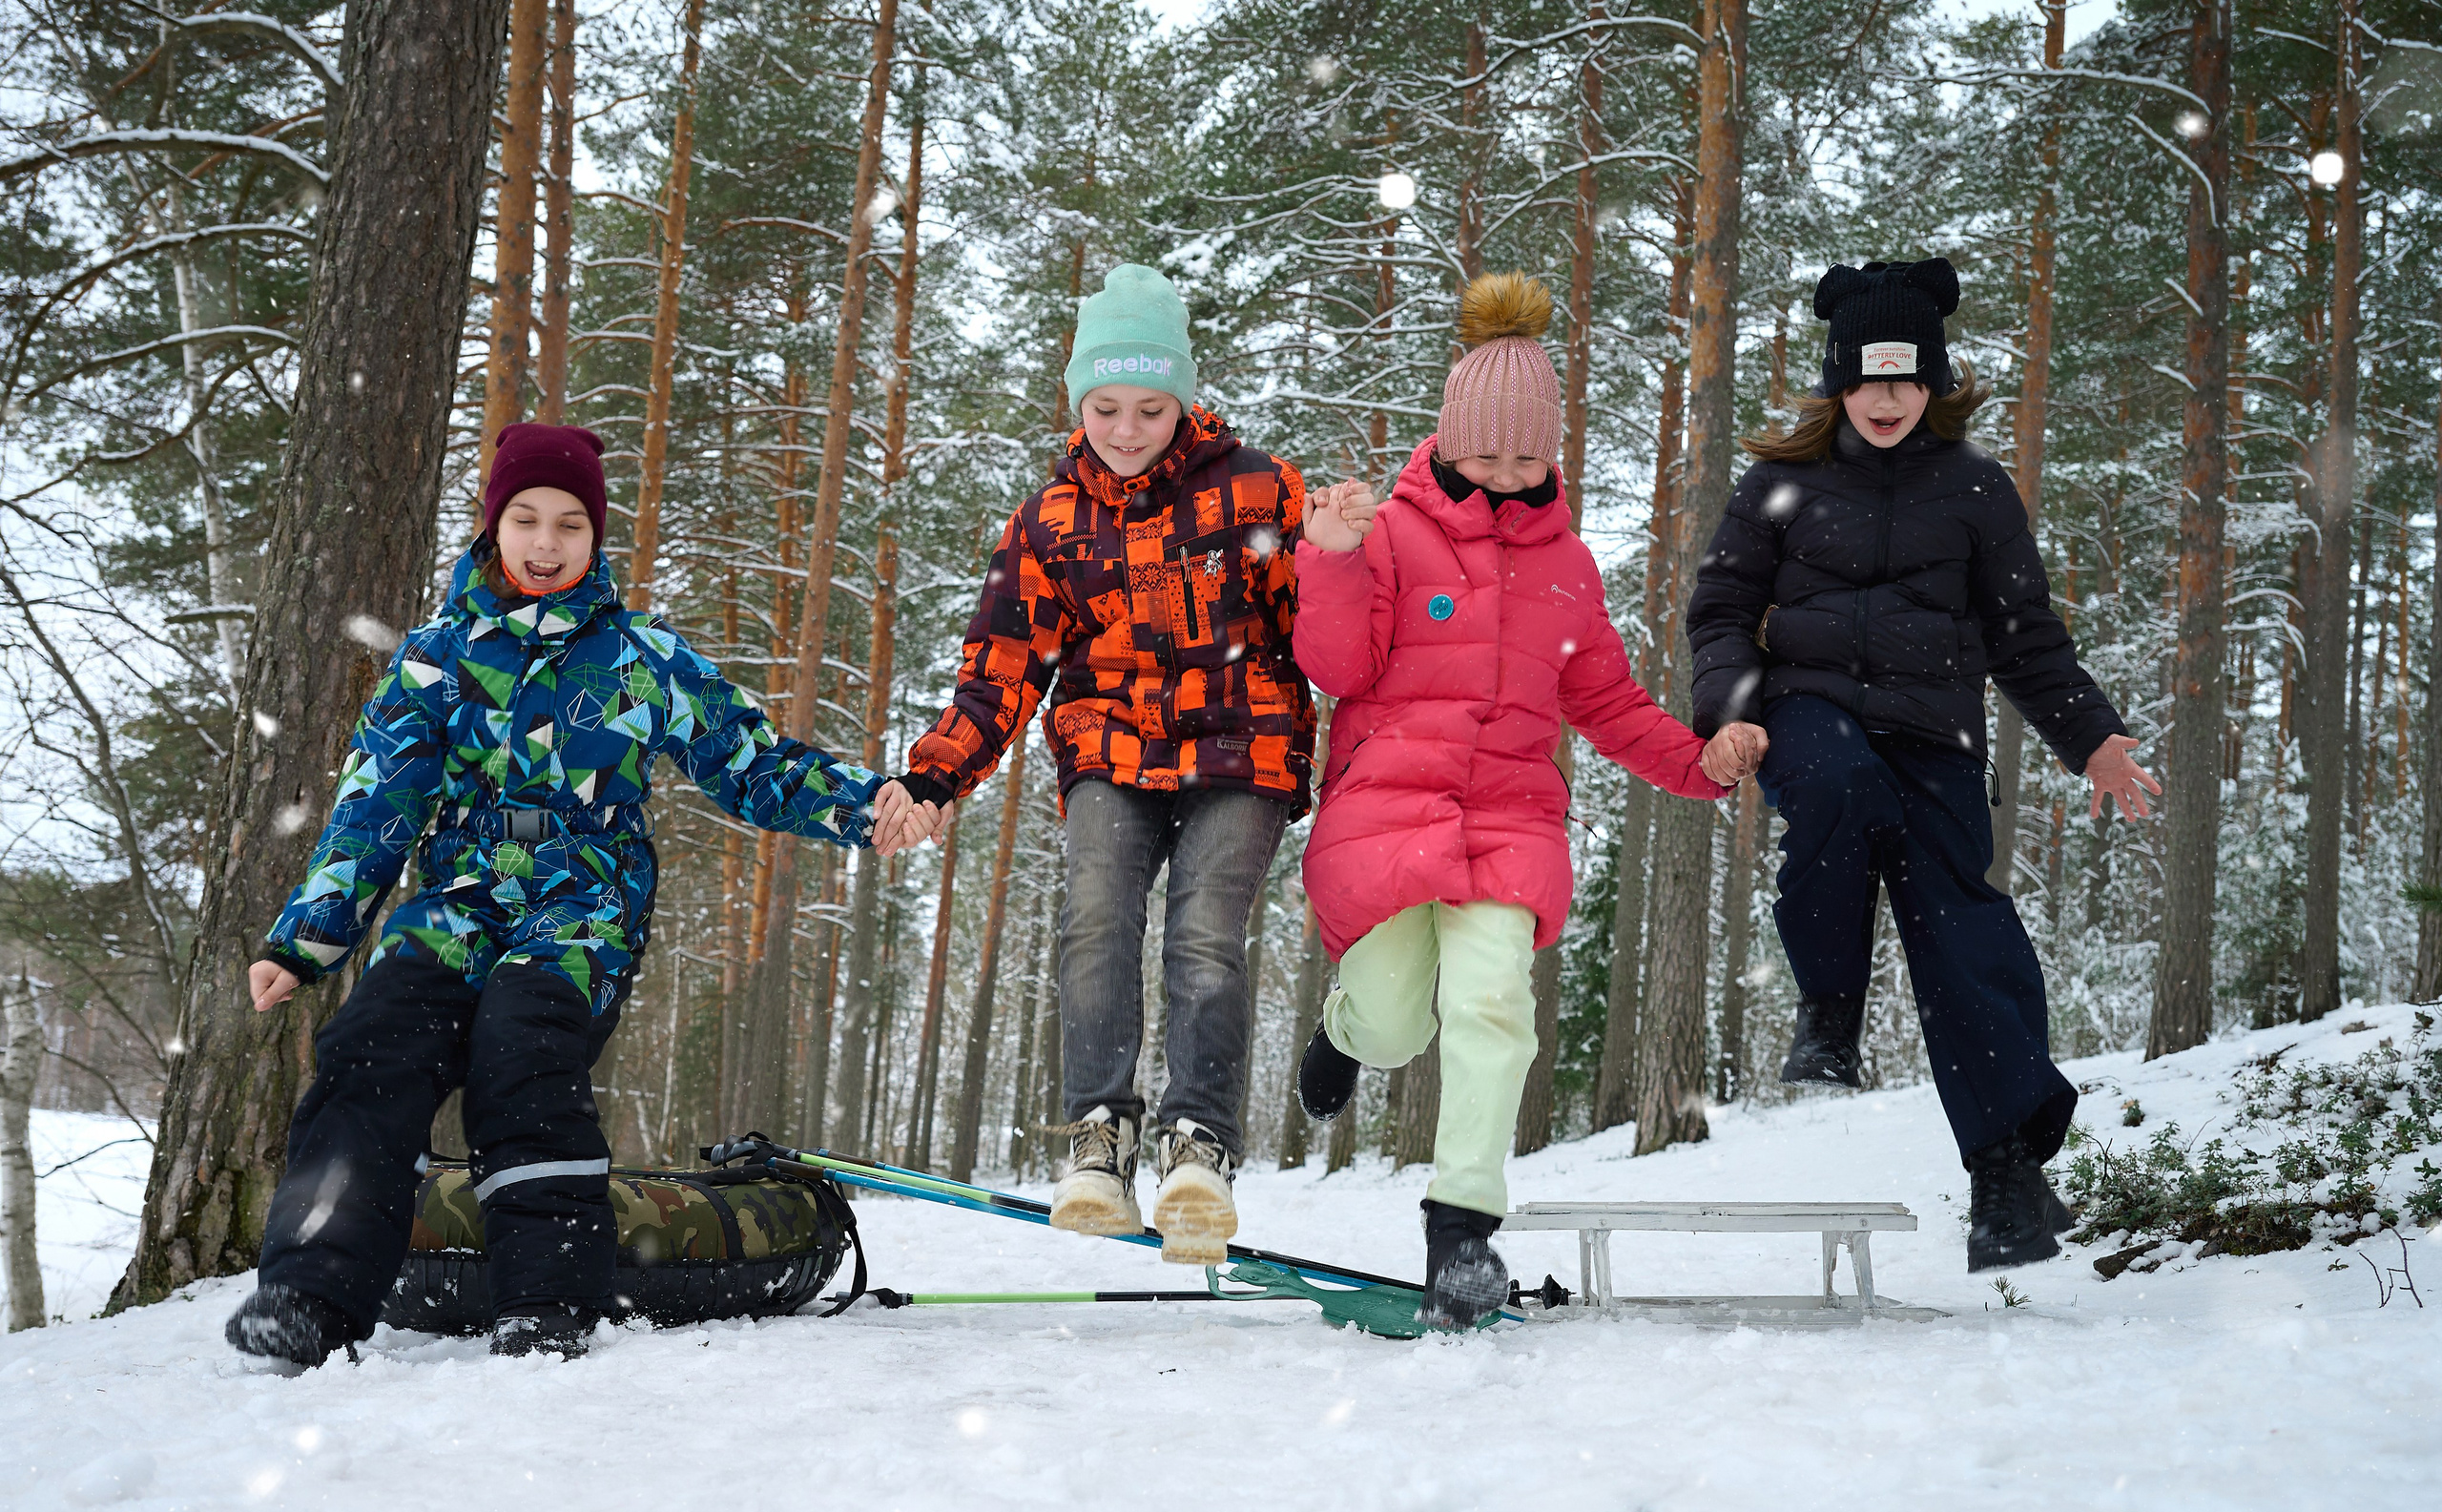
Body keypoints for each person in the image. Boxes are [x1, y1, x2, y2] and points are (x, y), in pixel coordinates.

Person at [224, 423, 904, 1365]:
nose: (547, 543)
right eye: (527, 519)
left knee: (523, 1045)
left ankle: (549, 1299)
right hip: (459, 895)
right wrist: (305, 941)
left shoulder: (640, 656)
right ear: (494, 526)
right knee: (370, 1043)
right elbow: (375, 808)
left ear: (596, 538)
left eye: (570, 524)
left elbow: (748, 762)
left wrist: (870, 807)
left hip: (583, 899)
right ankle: (308, 1293)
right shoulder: (436, 658)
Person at [869, 265, 1371, 1265]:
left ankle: (1199, 1143)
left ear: (1182, 401)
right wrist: (932, 777)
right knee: (1096, 916)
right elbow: (998, 671)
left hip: (1242, 741)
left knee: (1202, 933)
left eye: (1150, 407)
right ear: (1077, 401)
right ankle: (1099, 1139)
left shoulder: (1257, 487)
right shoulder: (1050, 521)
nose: (1128, 426)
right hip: (1110, 746)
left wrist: (1330, 555)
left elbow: (1319, 636)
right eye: (1106, 406)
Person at [1288, 274, 1757, 1329]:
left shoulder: (1568, 570)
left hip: (1508, 823)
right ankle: (1347, 1032)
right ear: (1448, 443)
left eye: (1526, 455)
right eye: (1485, 454)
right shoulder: (1394, 536)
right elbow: (1336, 666)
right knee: (1400, 1021)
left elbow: (1607, 703)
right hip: (1385, 813)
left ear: (1554, 454)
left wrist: (1700, 762)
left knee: (1495, 1003)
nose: (1505, 474)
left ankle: (1463, 1230)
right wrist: (1331, 560)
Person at [1686, 258, 2160, 1273]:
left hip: (1936, 734)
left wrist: (2093, 739)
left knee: (1964, 933)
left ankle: (2003, 1173)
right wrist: (1729, 716)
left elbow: (2024, 636)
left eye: (1906, 379)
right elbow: (1721, 612)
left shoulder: (1976, 491)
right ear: (1839, 384)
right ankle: (1828, 1010)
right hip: (1806, 712)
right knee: (1841, 789)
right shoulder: (1780, 483)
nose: (1888, 399)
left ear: (1934, 382)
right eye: (1868, 380)